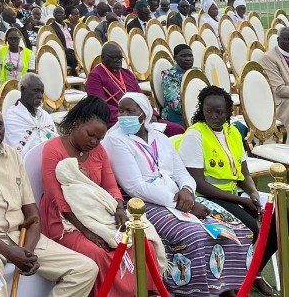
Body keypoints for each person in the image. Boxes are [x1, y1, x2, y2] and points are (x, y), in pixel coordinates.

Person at [104, 92, 251, 296]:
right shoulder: (115, 140)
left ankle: (227, 288)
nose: (123, 116)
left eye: (130, 111)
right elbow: (135, 186)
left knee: (234, 227)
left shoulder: (159, 137)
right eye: (121, 111)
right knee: (196, 236)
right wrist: (185, 204)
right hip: (145, 203)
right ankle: (196, 291)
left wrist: (187, 190)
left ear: (144, 113)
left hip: (180, 196)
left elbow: (182, 172)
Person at [0, 103, 98, 297]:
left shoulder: (14, 155)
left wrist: (25, 250)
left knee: (85, 269)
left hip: (20, 236)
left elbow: (32, 213)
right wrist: (10, 253)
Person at [40, 96, 158, 295]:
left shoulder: (99, 151)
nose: (94, 142)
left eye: (99, 139)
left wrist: (119, 208)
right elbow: (57, 199)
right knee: (99, 253)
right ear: (77, 124)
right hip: (64, 222)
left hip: (97, 214)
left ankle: (144, 292)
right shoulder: (53, 149)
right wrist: (89, 233)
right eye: (90, 135)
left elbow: (111, 186)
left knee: (141, 241)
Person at [175, 86, 276, 296]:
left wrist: (253, 193)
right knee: (251, 227)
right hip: (207, 196)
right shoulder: (195, 135)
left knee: (277, 220)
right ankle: (232, 284)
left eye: (219, 112)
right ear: (202, 109)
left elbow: (244, 172)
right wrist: (242, 201)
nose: (213, 116)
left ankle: (254, 274)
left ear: (228, 111)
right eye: (208, 111)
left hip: (234, 194)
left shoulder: (233, 132)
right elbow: (199, 184)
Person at [86, 42, 184, 136]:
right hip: (120, 121)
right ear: (103, 58)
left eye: (120, 58)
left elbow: (141, 97)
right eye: (113, 58)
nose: (118, 61)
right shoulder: (95, 76)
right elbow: (99, 106)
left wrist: (152, 113)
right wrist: (131, 116)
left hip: (140, 117)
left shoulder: (127, 73)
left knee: (177, 129)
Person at [4, 73, 58, 155]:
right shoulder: (12, 116)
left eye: (42, 92)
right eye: (36, 91)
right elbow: (16, 152)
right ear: (23, 89)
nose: (40, 96)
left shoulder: (44, 116)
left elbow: (53, 138)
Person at [260, 27, 289, 129]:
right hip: (282, 101)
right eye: (286, 39)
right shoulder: (269, 58)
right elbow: (279, 89)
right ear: (278, 40)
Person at [161, 44, 194, 126]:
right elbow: (176, 105)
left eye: (190, 56)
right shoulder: (169, 75)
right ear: (175, 58)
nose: (188, 59)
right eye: (183, 56)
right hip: (177, 119)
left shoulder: (196, 72)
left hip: (197, 113)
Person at [48, 6, 79, 75]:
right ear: (53, 15)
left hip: (75, 50)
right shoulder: (51, 28)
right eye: (56, 12)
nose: (59, 14)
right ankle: (76, 81)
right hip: (64, 52)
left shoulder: (70, 26)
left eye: (61, 13)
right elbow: (55, 44)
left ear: (64, 15)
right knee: (74, 59)